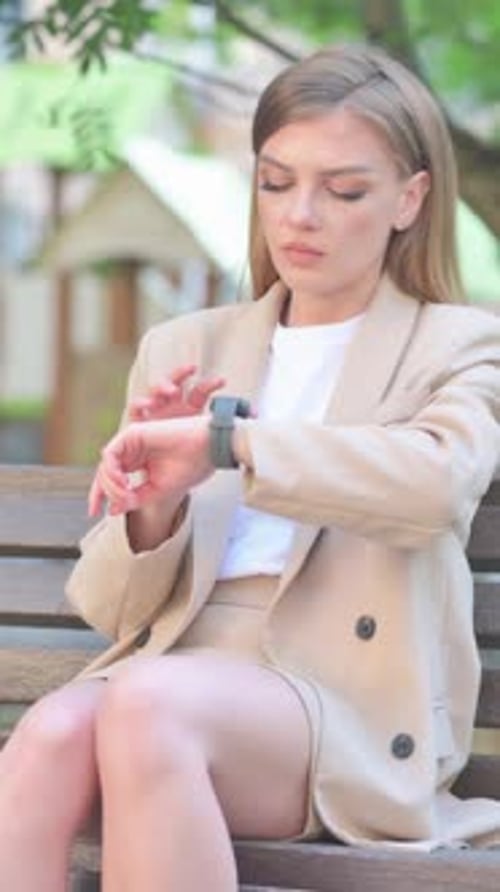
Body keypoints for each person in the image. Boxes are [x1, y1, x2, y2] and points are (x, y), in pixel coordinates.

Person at [1, 41, 500, 892]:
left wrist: (233, 444)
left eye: (342, 190)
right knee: (46, 737)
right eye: (276, 182)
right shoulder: (189, 344)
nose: (299, 214)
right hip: (178, 671)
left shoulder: (458, 341)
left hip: (345, 701)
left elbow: (435, 483)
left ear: (411, 199)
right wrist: (151, 509)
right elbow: (108, 607)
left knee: (147, 708)